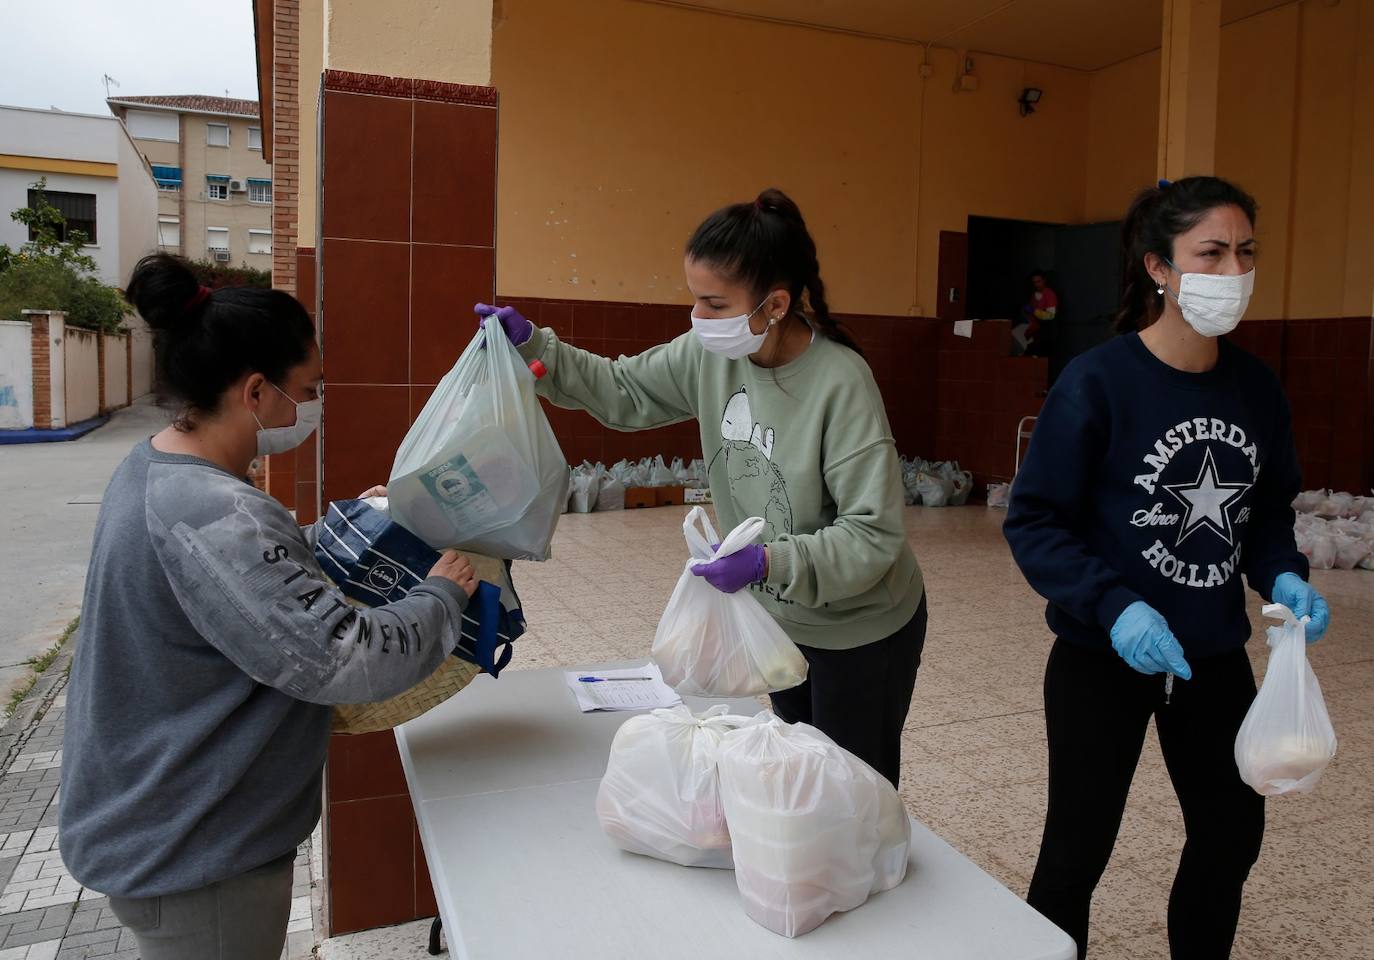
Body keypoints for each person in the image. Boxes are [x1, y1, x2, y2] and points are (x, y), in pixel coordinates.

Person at [60, 254, 479, 960]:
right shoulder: (213, 511)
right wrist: (444, 594)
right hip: (196, 853)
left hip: (166, 824)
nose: (313, 405)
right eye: (308, 389)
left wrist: (352, 525)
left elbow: (241, 576)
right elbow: (346, 658)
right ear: (255, 392)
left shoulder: (159, 468)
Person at [477, 188, 926, 787]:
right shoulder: (708, 355)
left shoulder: (840, 383)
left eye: (714, 303)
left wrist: (768, 561)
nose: (698, 318)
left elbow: (873, 535)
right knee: (799, 775)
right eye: (694, 298)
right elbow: (622, 389)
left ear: (775, 305)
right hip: (780, 620)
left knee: (853, 789)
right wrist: (535, 346)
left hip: (861, 628)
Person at [1003, 176, 1331, 959]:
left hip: (1212, 657)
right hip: (1101, 656)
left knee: (1230, 836)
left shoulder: (1255, 388)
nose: (1233, 270)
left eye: (1245, 252)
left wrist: (1283, 573)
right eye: (1210, 253)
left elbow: (1266, 513)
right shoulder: (1098, 382)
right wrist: (1113, 605)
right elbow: (1035, 520)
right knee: (1076, 851)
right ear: (1159, 266)